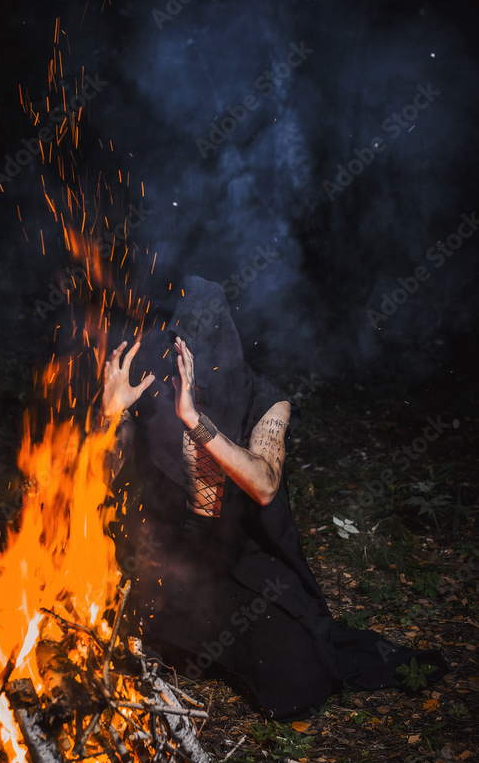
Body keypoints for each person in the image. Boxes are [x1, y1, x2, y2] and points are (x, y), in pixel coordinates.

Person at [98, 275, 448, 719]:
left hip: (245, 567)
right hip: (173, 557)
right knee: (124, 623)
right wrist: (110, 417)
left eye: (205, 358)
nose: (192, 371)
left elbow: (263, 485)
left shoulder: (266, 402)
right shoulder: (156, 393)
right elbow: (102, 477)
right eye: (182, 355)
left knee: (296, 682)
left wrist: (194, 420)